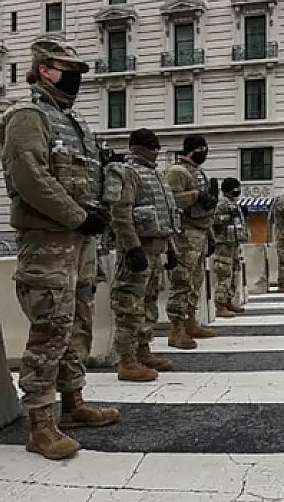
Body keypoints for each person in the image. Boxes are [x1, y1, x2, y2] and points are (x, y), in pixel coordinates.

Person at [0, 35, 120, 461]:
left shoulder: (75, 123)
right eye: (69, 71)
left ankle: (73, 402)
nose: (76, 80)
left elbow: (88, 178)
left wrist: (96, 217)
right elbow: (28, 177)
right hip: (48, 241)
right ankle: (39, 422)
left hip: (81, 241)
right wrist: (77, 217)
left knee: (79, 322)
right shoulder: (27, 117)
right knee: (49, 329)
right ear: (46, 69)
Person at [103, 128, 180, 381]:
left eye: (157, 145)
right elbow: (120, 213)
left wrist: (171, 249)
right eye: (150, 145)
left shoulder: (156, 175)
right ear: (135, 147)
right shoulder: (125, 172)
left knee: (147, 304)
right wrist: (132, 246)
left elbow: (164, 215)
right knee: (129, 306)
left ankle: (142, 349)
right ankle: (126, 361)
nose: (156, 149)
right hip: (137, 250)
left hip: (155, 249)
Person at [163, 134, 218, 349]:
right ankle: (176, 329)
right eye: (203, 149)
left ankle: (190, 321)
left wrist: (210, 234)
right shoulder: (177, 171)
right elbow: (170, 201)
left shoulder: (196, 172)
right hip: (185, 234)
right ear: (194, 149)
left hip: (200, 232)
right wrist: (195, 196)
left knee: (195, 281)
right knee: (182, 281)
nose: (205, 153)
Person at [211, 178, 249, 317]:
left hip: (233, 243)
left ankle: (228, 301)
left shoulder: (234, 203)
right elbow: (214, 220)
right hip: (223, 244)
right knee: (224, 274)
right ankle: (220, 305)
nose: (238, 191)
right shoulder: (221, 203)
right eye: (236, 188)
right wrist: (228, 217)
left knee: (234, 273)